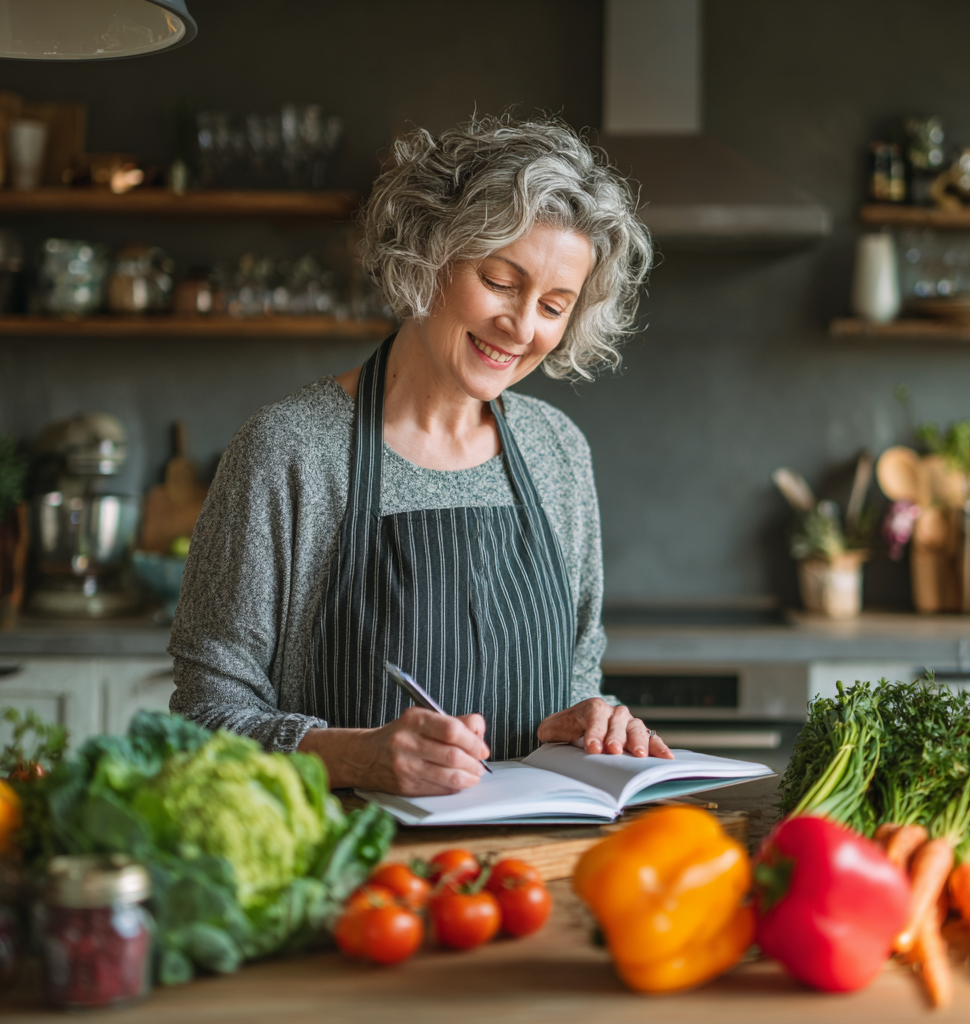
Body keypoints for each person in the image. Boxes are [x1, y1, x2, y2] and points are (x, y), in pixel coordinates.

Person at [169, 115, 666, 797]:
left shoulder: (558, 451)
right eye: (499, 280)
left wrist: (588, 722)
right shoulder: (291, 451)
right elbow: (201, 723)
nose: (521, 327)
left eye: (554, 306)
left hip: (525, 880)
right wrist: (351, 759)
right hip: (354, 876)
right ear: (428, 254)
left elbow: (580, 673)